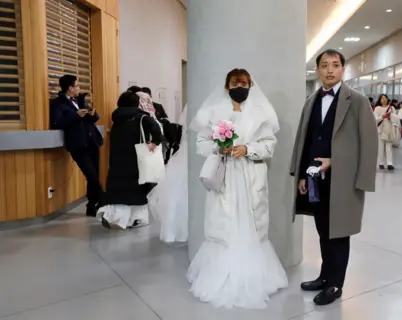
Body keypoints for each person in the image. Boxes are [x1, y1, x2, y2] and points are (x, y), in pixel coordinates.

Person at [188, 68, 288, 309]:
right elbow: (200, 143)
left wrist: (247, 149)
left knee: (252, 222)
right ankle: (221, 275)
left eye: (244, 83)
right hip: (224, 176)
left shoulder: (260, 112)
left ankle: (253, 277)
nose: (239, 87)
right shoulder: (213, 112)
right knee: (224, 221)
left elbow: (269, 146)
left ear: (250, 86)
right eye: (235, 83)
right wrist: (217, 148)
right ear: (227, 87)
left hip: (250, 176)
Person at [290, 49, 378, 306]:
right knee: (322, 230)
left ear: (343, 69)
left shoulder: (358, 101)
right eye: (325, 65)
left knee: (339, 233)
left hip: (343, 180)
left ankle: (336, 285)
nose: (330, 70)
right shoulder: (311, 101)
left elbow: (368, 144)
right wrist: (301, 174)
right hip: (315, 179)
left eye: (335, 65)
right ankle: (325, 276)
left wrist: (336, 163)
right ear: (317, 70)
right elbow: (304, 141)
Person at [97, 92, 163, 229]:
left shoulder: (116, 118)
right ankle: (135, 219)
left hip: (117, 158)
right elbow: (157, 132)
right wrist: (154, 143)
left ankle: (109, 212)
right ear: (136, 103)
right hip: (136, 158)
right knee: (135, 189)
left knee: (117, 187)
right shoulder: (142, 117)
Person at [51, 75, 103, 217]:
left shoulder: (80, 100)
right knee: (91, 175)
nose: (79, 88)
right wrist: (76, 116)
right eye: (77, 85)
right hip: (78, 145)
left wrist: (92, 113)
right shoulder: (57, 103)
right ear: (70, 87)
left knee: (95, 175)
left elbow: (95, 118)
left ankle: (91, 206)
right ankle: (105, 200)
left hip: (92, 141)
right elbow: (58, 122)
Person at [148, 105, 188, 245]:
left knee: (178, 191)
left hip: (185, 155)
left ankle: (174, 230)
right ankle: (181, 230)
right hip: (188, 156)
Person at [374, 94, 401, 170]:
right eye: (382, 98)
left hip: (389, 129)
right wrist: (382, 117)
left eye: (385, 98)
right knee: (380, 147)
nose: (384, 100)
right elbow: (374, 119)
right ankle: (381, 163)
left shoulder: (391, 108)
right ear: (379, 100)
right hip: (380, 130)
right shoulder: (377, 108)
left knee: (389, 146)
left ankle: (390, 163)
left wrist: (390, 116)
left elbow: (396, 118)